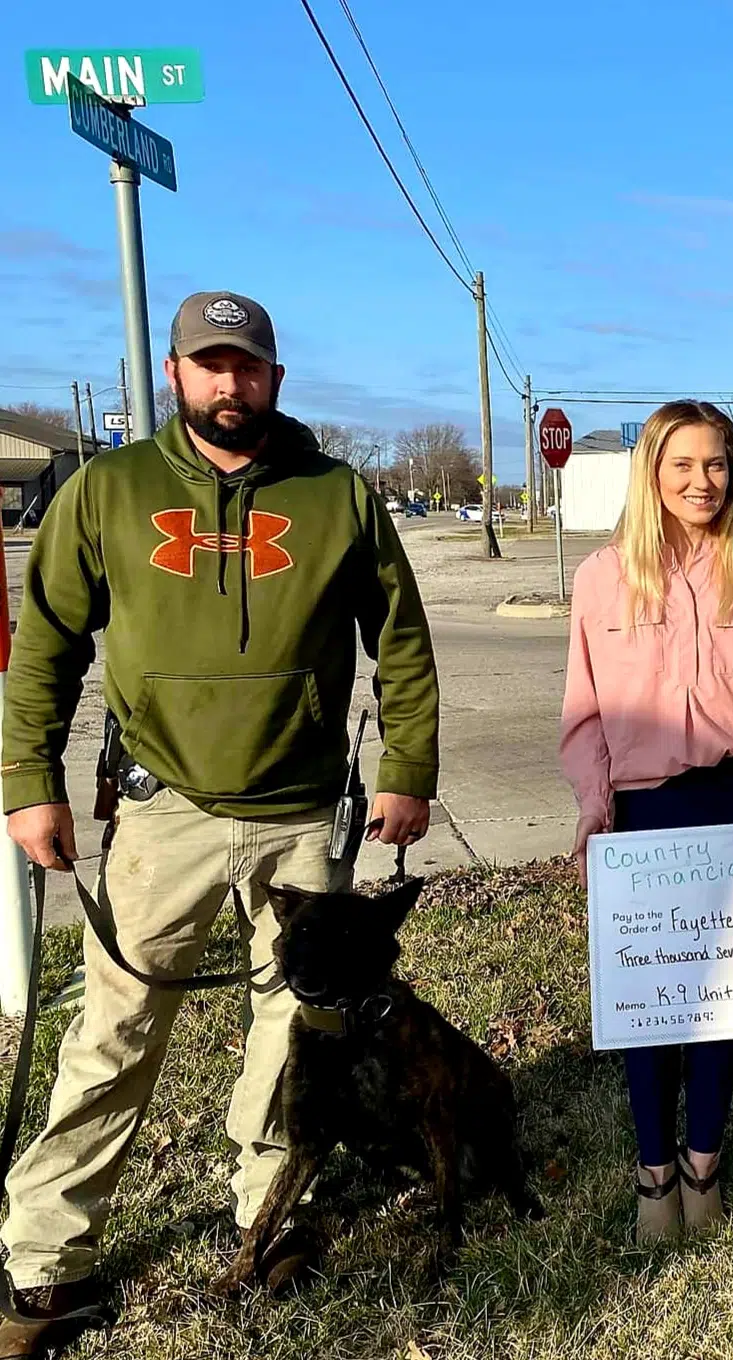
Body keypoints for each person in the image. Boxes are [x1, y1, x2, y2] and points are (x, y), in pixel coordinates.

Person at [0, 291, 438, 1352]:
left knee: (294, 1034)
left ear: (275, 379)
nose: (228, 383)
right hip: (166, 811)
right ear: (175, 372)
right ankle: (44, 1267)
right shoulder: (110, 490)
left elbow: (403, 639)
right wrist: (29, 780)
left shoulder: (338, 495)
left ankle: (267, 1216)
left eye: (246, 366)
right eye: (209, 365)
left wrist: (406, 766)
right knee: (111, 1037)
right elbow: (47, 640)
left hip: (304, 817)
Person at [560, 400, 733, 1242]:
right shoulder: (603, 577)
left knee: (724, 1002)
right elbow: (585, 711)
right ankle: (653, 1176)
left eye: (715, 465)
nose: (701, 482)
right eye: (683, 465)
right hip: (646, 809)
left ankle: (706, 1167)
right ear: (652, 472)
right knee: (652, 1006)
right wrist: (595, 808)